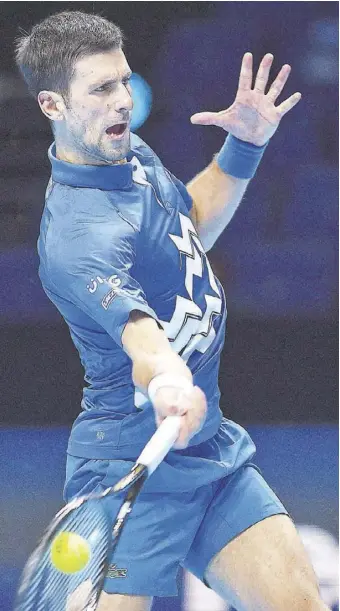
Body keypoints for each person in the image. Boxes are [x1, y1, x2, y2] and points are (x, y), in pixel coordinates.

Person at [15, 10, 328, 611]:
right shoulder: (77, 238)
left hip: (210, 455)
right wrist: (168, 381)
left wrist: (245, 145)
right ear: (53, 105)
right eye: (101, 89)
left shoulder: (131, 157)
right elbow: (142, 340)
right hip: (130, 467)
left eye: (124, 81)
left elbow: (193, 225)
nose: (122, 102)